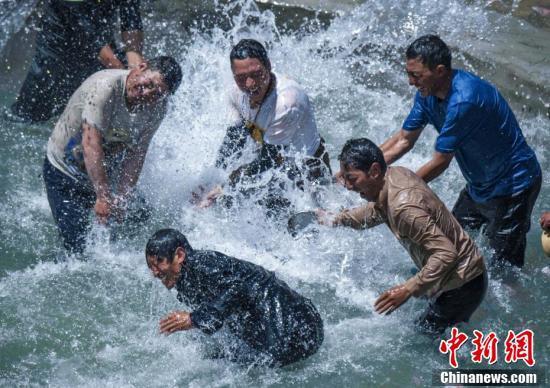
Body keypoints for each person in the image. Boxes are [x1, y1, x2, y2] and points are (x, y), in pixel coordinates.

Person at [379, 34, 541, 268]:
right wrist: (367, 167)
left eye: (416, 75)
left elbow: (441, 161)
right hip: (478, 188)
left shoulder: (465, 100)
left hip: (514, 188)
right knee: (448, 244)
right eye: (408, 73)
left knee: (504, 273)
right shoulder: (427, 94)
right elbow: (403, 140)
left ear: (440, 71)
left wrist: (398, 191)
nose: (410, 82)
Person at [318, 138, 487, 333]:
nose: (347, 185)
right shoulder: (394, 175)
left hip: (463, 286)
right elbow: (375, 212)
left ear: (374, 171)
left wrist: (407, 289)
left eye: (352, 178)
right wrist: (337, 219)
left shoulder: (404, 207)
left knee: (421, 342)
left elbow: (446, 254)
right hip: (458, 277)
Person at [43, 56, 182, 253]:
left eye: (156, 93)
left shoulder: (158, 108)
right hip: (64, 171)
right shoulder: (106, 87)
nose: (147, 93)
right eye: (148, 84)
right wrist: (102, 197)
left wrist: (122, 198)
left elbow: (137, 153)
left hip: (105, 172)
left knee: (140, 214)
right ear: (141, 68)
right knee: (76, 249)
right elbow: (91, 143)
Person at [145, 228, 324, 367]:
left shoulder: (202, 263)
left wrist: (193, 319)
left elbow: (236, 288)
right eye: (150, 266)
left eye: (159, 263)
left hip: (298, 328)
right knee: (219, 360)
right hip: (291, 328)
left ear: (179, 255)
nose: (155, 272)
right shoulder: (184, 280)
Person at [197, 39, 331, 208]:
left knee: (317, 219)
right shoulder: (235, 92)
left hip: (307, 168)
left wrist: (224, 186)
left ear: (268, 65)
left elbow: (270, 159)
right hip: (272, 159)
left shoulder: (287, 102)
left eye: (256, 74)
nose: (250, 84)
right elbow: (234, 139)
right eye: (241, 77)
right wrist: (213, 179)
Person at [9, 0, 145, 123]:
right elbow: (91, 37)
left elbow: (131, 29)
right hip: (57, 49)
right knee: (27, 117)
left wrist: (137, 74)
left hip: (100, 43)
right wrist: (124, 78)